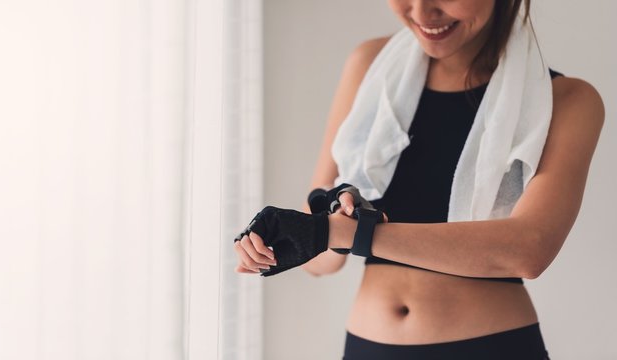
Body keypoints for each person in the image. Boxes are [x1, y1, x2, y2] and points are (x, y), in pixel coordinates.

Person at [233, 0, 605, 359]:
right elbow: (321, 261)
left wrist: (349, 233)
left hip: (492, 347)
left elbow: (529, 249)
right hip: (368, 348)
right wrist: (294, 232)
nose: (422, 11)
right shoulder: (369, 65)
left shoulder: (565, 100)